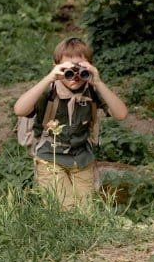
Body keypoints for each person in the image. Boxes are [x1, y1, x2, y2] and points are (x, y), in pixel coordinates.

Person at [13, 37, 129, 207]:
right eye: (68, 69)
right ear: (56, 67)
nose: (74, 76)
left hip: (82, 158)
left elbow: (121, 114)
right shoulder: (48, 91)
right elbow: (20, 109)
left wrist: (98, 82)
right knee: (63, 209)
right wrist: (49, 78)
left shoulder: (92, 91)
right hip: (50, 157)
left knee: (86, 211)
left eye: (81, 68)